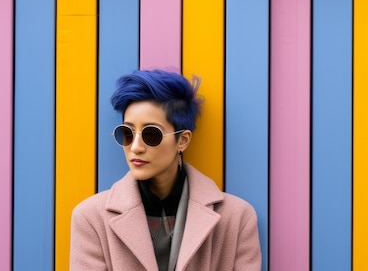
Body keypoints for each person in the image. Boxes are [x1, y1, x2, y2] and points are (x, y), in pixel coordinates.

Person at [70, 69, 261, 270]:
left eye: (151, 134)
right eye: (127, 133)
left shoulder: (237, 218)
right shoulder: (91, 218)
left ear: (183, 140)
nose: (135, 147)